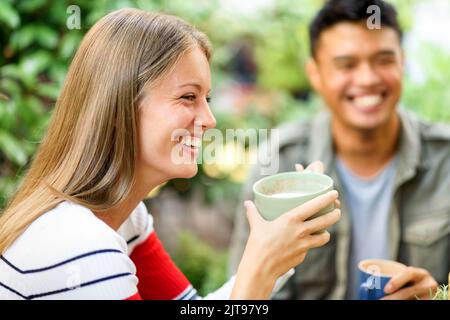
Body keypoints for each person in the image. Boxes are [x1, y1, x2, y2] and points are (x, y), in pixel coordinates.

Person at [0, 9, 341, 300]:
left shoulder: (124, 218)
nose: (209, 120)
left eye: (207, 98)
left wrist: (274, 248)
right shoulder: (80, 246)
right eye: (188, 97)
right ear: (120, 110)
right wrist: (259, 269)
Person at [229, 0, 450, 300]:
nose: (368, 79)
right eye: (346, 64)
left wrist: (437, 295)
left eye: (384, 60)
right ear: (315, 74)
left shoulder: (445, 159)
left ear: (402, 62)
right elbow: (246, 290)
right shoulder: (280, 163)